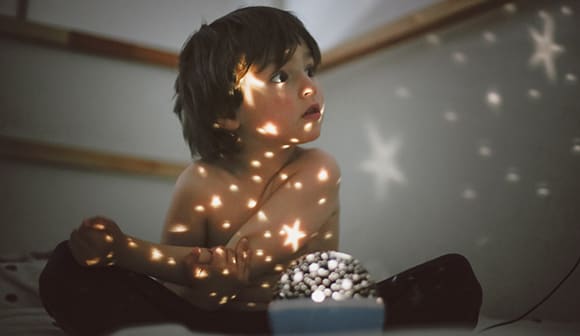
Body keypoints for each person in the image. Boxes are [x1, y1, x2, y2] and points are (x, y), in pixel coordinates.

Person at [39, 6, 482, 335]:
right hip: (212, 324)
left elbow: (243, 258)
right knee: (66, 269)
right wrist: (211, 288)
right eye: (281, 77)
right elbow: (189, 291)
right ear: (226, 114)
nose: (311, 86)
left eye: (308, 68)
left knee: (450, 277)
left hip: (303, 320)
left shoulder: (317, 170)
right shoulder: (199, 182)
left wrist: (125, 250)